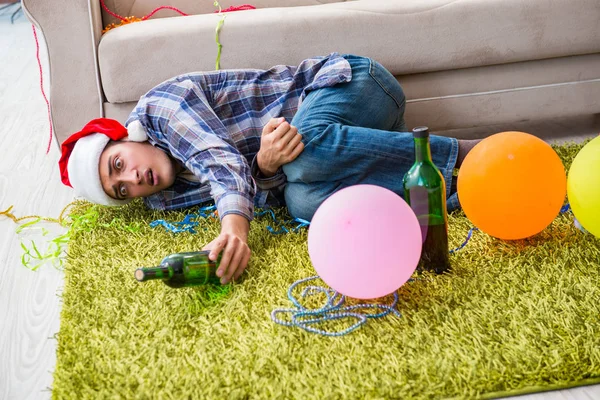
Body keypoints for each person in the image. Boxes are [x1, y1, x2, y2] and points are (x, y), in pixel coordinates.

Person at [58, 53, 479, 285]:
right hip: (366, 144)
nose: (132, 180)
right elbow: (267, 188)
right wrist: (262, 165)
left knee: (304, 155)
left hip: (357, 87)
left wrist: (234, 228)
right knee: (302, 199)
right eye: (121, 191)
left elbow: (221, 165)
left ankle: (463, 155)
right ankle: (461, 194)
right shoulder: (166, 196)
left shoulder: (162, 109)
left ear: (125, 138)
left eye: (119, 164)